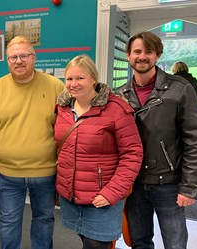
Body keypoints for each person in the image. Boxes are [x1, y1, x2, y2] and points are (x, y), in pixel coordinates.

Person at [0, 36, 65, 249]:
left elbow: (68, 126)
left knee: (44, 220)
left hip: (45, 173)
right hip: (7, 174)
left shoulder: (55, 86)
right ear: (7, 61)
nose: (18, 61)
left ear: (34, 57)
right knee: (8, 222)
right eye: (13, 57)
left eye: (23, 55)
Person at [117, 31, 197, 249]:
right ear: (128, 55)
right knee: (139, 242)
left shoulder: (180, 89)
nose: (142, 56)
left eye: (149, 51)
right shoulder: (119, 95)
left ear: (157, 55)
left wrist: (189, 187)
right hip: (134, 184)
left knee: (175, 244)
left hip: (169, 184)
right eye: (137, 51)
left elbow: (195, 140)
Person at [55, 54, 143, 249]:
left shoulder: (117, 109)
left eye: (80, 78)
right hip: (71, 195)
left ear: (93, 79)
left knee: (96, 244)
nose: (73, 84)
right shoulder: (62, 108)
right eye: (69, 79)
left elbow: (132, 154)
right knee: (84, 239)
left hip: (101, 197)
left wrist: (112, 192)